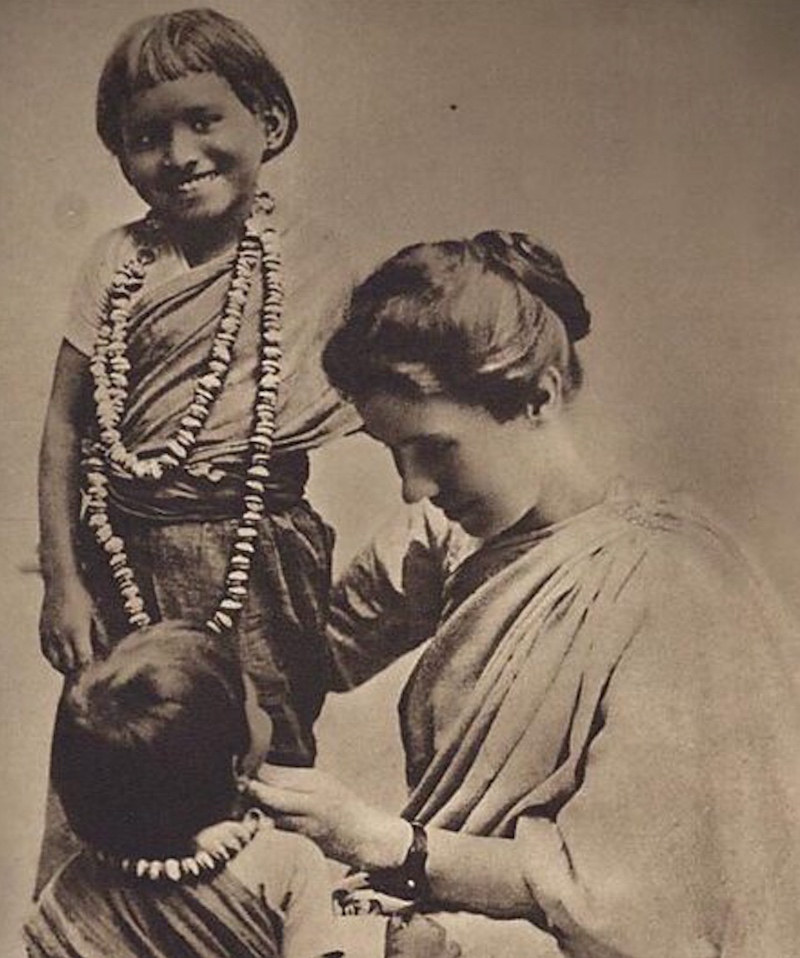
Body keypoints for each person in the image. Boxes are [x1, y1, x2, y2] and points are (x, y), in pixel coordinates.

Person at [249, 231, 800, 957]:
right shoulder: (443, 538)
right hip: (426, 927)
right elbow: (308, 659)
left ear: (538, 397)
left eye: (435, 449)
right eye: (393, 454)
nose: (412, 486)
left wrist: (377, 838)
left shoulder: (676, 587)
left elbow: (623, 901)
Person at [36, 7, 358, 887]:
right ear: (119, 154)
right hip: (122, 558)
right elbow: (66, 425)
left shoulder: (314, 263)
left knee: (265, 765)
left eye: (203, 119)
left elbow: (397, 380)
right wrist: (65, 581)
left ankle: (280, 921)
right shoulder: (113, 263)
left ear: (270, 122)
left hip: (252, 560)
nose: (177, 154)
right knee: (117, 765)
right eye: (146, 136)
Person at [24, 622, 342, 958]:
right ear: (235, 763)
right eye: (255, 706)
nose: (264, 712)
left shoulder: (65, 895)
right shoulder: (287, 864)